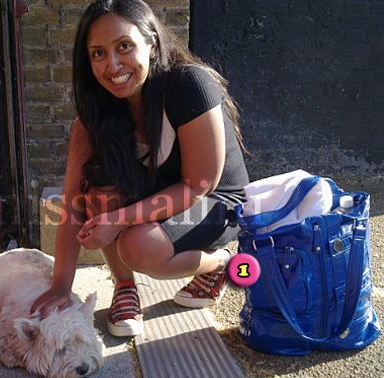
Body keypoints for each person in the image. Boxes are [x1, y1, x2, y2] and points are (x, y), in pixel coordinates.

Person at [30, 0, 249, 337]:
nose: (113, 64)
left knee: (138, 246)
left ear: (151, 42)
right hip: (159, 194)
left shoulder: (189, 85)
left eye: (124, 46)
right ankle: (125, 288)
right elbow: (72, 201)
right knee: (96, 195)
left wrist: (118, 219)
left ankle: (218, 263)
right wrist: (61, 285)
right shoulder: (94, 117)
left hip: (215, 199)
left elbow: (198, 185)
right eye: (98, 53)